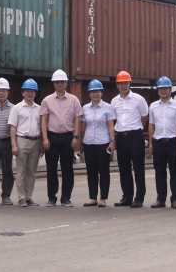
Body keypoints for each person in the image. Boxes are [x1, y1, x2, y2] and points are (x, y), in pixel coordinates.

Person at [40, 69, 82, 207]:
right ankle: (52, 197)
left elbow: (77, 119)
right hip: (52, 137)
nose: (59, 84)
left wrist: (76, 137)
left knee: (67, 168)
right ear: (53, 83)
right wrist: (45, 139)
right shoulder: (47, 100)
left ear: (66, 83)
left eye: (62, 81)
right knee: (51, 168)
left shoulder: (73, 100)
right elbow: (44, 120)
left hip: (67, 137)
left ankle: (66, 197)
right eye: (57, 81)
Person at [111, 71, 149, 208]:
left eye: (125, 83)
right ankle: (127, 197)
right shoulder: (114, 101)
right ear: (117, 85)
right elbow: (113, 119)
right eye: (120, 83)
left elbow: (144, 117)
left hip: (135, 136)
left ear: (130, 84)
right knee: (124, 168)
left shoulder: (139, 99)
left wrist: (136, 129)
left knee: (138, 168)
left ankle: (139, 198)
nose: (123, 86)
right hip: (121, 137)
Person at [148, 76, 176, 209]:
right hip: (158, 142)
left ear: (170, 89)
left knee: (175, 172)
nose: (163, 91)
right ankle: (160, 199)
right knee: (159, 172)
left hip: (173, 141)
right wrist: (151, 143)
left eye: (165, 88)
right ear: (158, 90)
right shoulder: (153, 106)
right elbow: (151, 124)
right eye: (160, 89)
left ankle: (175, 199)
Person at [80, 80, 116, 207]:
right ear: (89, 94)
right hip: (88, 142)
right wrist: (81, 143)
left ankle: (103, 198)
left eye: (97, 92)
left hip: (103, 143)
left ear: (101, 93)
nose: (95, 94)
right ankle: (92, 198)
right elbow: (83, 126)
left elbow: (110, 126)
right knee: (91, 171)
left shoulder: (108, 107)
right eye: (92, 92)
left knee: (104, 171)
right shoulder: (85, 108)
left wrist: (112, 141)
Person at [9, 79, 43, 206]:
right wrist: (13, 144)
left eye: (32, 91)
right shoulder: (16, 108)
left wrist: (41, 143)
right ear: (22, 93)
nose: (30, 93)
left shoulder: (39, 109)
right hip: (22, 140)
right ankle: (21, 197)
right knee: (21, 170)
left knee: (32, 171)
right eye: (27, 91)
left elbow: (41, 127)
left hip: (35, 140)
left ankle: (29, 196)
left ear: (35, 93)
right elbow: (12, 127)